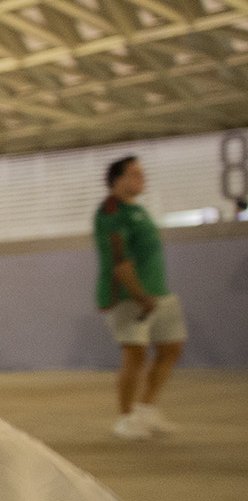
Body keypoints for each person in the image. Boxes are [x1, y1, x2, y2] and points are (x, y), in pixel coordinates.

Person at [96, 155, 187, 441]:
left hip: (159, 293)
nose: (141, 179)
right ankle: (125, 419)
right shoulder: (111, 211)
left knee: (171, 347)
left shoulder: (139, 210)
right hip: (129, 297)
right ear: (118, 179)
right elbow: (120, 259)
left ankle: (146, 409)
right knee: (134, 355)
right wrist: (139, 294)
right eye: (135, 174)